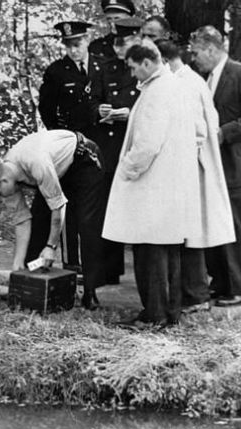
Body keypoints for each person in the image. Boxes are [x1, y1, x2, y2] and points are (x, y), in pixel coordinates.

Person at [103, 42, 199, 329]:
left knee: (149, 250)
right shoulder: (175, 86)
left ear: (146, 63)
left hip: (153, 184)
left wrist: (127, 169)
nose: (132, 74)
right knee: (168, 249)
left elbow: (147, 144)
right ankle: (171, 311)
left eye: (133, 67)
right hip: (171, 182)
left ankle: (154, 314)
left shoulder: (157, 92)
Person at [0, 130, 104, 310]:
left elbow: (58, 208)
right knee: (38, 225)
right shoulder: (8, 175)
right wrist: (18, 263)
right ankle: (31, 289)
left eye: (0, 194)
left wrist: (51, 246)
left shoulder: (36, 163)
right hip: (55, 171)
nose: (2, 198)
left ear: (4, 181)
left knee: (86, 223)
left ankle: (90, 290)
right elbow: (22, 219)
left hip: (84, 160)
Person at [190, 26, 241, 307]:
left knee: (236, 225)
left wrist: (225, 132)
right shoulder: (208, 76)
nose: (194, 59)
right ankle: (222, 283)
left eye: (197, 53)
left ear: (211, 49)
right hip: (221, 163)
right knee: (220, 223)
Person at [156, 39, 235, 314]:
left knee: (190, 233)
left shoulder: (186, 83)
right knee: (186, 233)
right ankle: (191, 292)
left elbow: (200, 129)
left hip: (191, 166)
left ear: (164, 61)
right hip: (184, 165)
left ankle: (195, 294)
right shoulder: (185, 80)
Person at [38, 20, 103, 272]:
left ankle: (97, 264)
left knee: (95, 206)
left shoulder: (101, 66)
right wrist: (62, 138)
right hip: (70, 147)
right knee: (71, 204)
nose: (73, 50)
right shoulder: (56, 71)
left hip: (98, 144)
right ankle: (72, 261)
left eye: (77, 44)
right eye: (68, 45)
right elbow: (46, 109)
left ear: (87, 40)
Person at [90, 17, 142, 285]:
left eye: (126, 43)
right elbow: (92, 100)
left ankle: (143, 273)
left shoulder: (145, 69)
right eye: (118, 44)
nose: (120, 49)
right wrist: (98, 110)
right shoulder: (105, 68)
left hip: (134, 146)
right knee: (107, 209)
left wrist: (130, 114)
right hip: (109, 148)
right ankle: (109, 270)